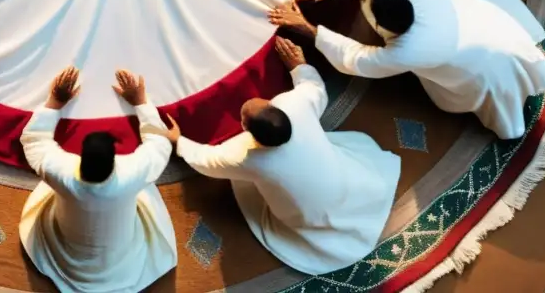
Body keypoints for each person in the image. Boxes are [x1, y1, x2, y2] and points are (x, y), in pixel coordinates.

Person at [167, 38, 400, 275]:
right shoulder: (295, 104)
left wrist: (178, 140)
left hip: (309, 217)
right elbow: (314, 88)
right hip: (343, 181)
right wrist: (299, 65)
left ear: (245, 127)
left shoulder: (246, 156)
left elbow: (207, 161)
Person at [268, 0, 545, 140]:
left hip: (475, 67)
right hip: (480, 20)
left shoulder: (409, 51)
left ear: (390, 32)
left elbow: (358, 60)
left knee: (503, 110)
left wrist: (308, 29)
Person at [19, 67, 177, 292]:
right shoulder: (131, 173)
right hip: (124, 260)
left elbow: (34, 141)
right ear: (115, 160)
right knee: (147, 188)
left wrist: (55, 101)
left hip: (67, 256)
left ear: (80, 158)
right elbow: (159, 144)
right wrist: (140, 102)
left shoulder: (61, 172)